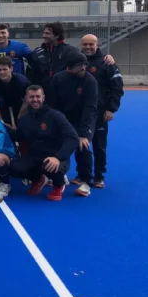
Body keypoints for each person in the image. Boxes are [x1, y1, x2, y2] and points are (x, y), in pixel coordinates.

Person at [8, 85, 79, 201]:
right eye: (31, 97)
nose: (35, 99)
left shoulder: (56, 116)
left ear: (43, 98)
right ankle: (38, 179)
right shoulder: (24, 119)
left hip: (55, 157)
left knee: (49, 165)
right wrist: (3, 128)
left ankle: (58, 185)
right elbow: (20, 137)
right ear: (26, 99)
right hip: (35, 156)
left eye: (38, 96)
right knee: (14, 168)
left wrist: (57, 157)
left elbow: (73, 138)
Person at [47, 52, 98, 197]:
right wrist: (56, 124)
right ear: (69, 68)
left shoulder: (90, 81)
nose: (83, 68)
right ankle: (60, 174)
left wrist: (83, 134)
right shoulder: (58, 78)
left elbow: (90, 108)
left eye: (84, 65)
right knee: (58, 144)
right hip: (63, 118)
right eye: (79, 66)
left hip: (83, 119)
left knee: (83, 147)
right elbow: (53, 103)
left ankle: (86, 181)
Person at [80, 34, 124, 188]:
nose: (88, 47)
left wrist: (111, 109)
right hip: (81, 113)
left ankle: (99, 176)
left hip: (100, 112)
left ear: (97, 45)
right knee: (81, 144)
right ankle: (82, 175)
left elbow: (117, 88)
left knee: (99, 145)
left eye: (91, 44)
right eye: (85, 44)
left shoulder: (107, 62)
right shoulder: (77, 61)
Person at [29, 22, 80, 95]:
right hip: (44, 94)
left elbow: (82, 64)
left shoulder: (70, 51)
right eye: (44, 33)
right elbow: (33, 75)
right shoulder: (37, 52)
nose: (44, 36)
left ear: (57, 35)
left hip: (64, 93)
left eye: (47, 33)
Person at [0, 56, 31, 126]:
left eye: (5, 69)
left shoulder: (21, 82)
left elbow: (26, 102)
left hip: (20, 105)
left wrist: (19, 120)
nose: (2, 72)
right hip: (3, 105)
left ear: (11, 68)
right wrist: (1, 122)